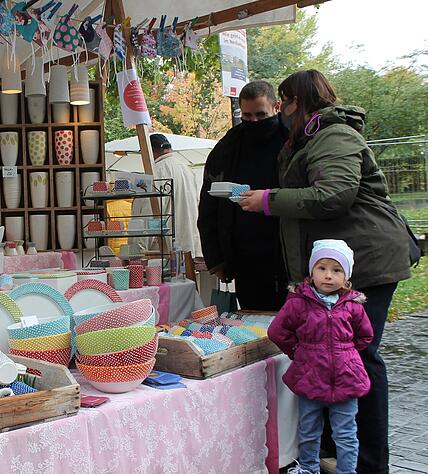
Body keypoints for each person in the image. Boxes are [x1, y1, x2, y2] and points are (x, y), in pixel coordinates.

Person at [239, 69, 411, 473]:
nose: (281, 110)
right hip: (341, 263)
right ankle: (339, 455)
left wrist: (269, 200)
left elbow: (334, 194)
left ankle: (368, 464)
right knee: (337, 359)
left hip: (364, 263)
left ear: (299, 100)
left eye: (284, 101)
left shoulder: (335, 135)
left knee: (358, 360)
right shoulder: (313, 135)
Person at [269, 239, 373, 474]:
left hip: (346, 379)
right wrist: (297, 351)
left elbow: (365, 336)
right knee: (308, 429)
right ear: (311, 271)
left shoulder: (353, 305)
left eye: (336, 270)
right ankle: (308, 468)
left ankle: (347, 471)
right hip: (310, 377)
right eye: (322, 268)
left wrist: (346, 354)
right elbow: (277, 331)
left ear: (346, 276)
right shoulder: (298, 302)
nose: (328, 276)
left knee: (346, 433)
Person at [197, 80, 288, 311]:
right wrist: (216, 258)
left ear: (276, 107)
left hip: (288, 253)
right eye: (247, 116)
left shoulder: (292, 139)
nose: (254, 122)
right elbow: (208, 205)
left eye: (260, 114)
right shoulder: (227, 147)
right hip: (245, 257)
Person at [132, 133, 202, 261]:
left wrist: (136, 252)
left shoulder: (153, 173)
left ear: (150, 151)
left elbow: (146, 216)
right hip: (190, 244)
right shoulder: (187, 169)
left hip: (164, 250)